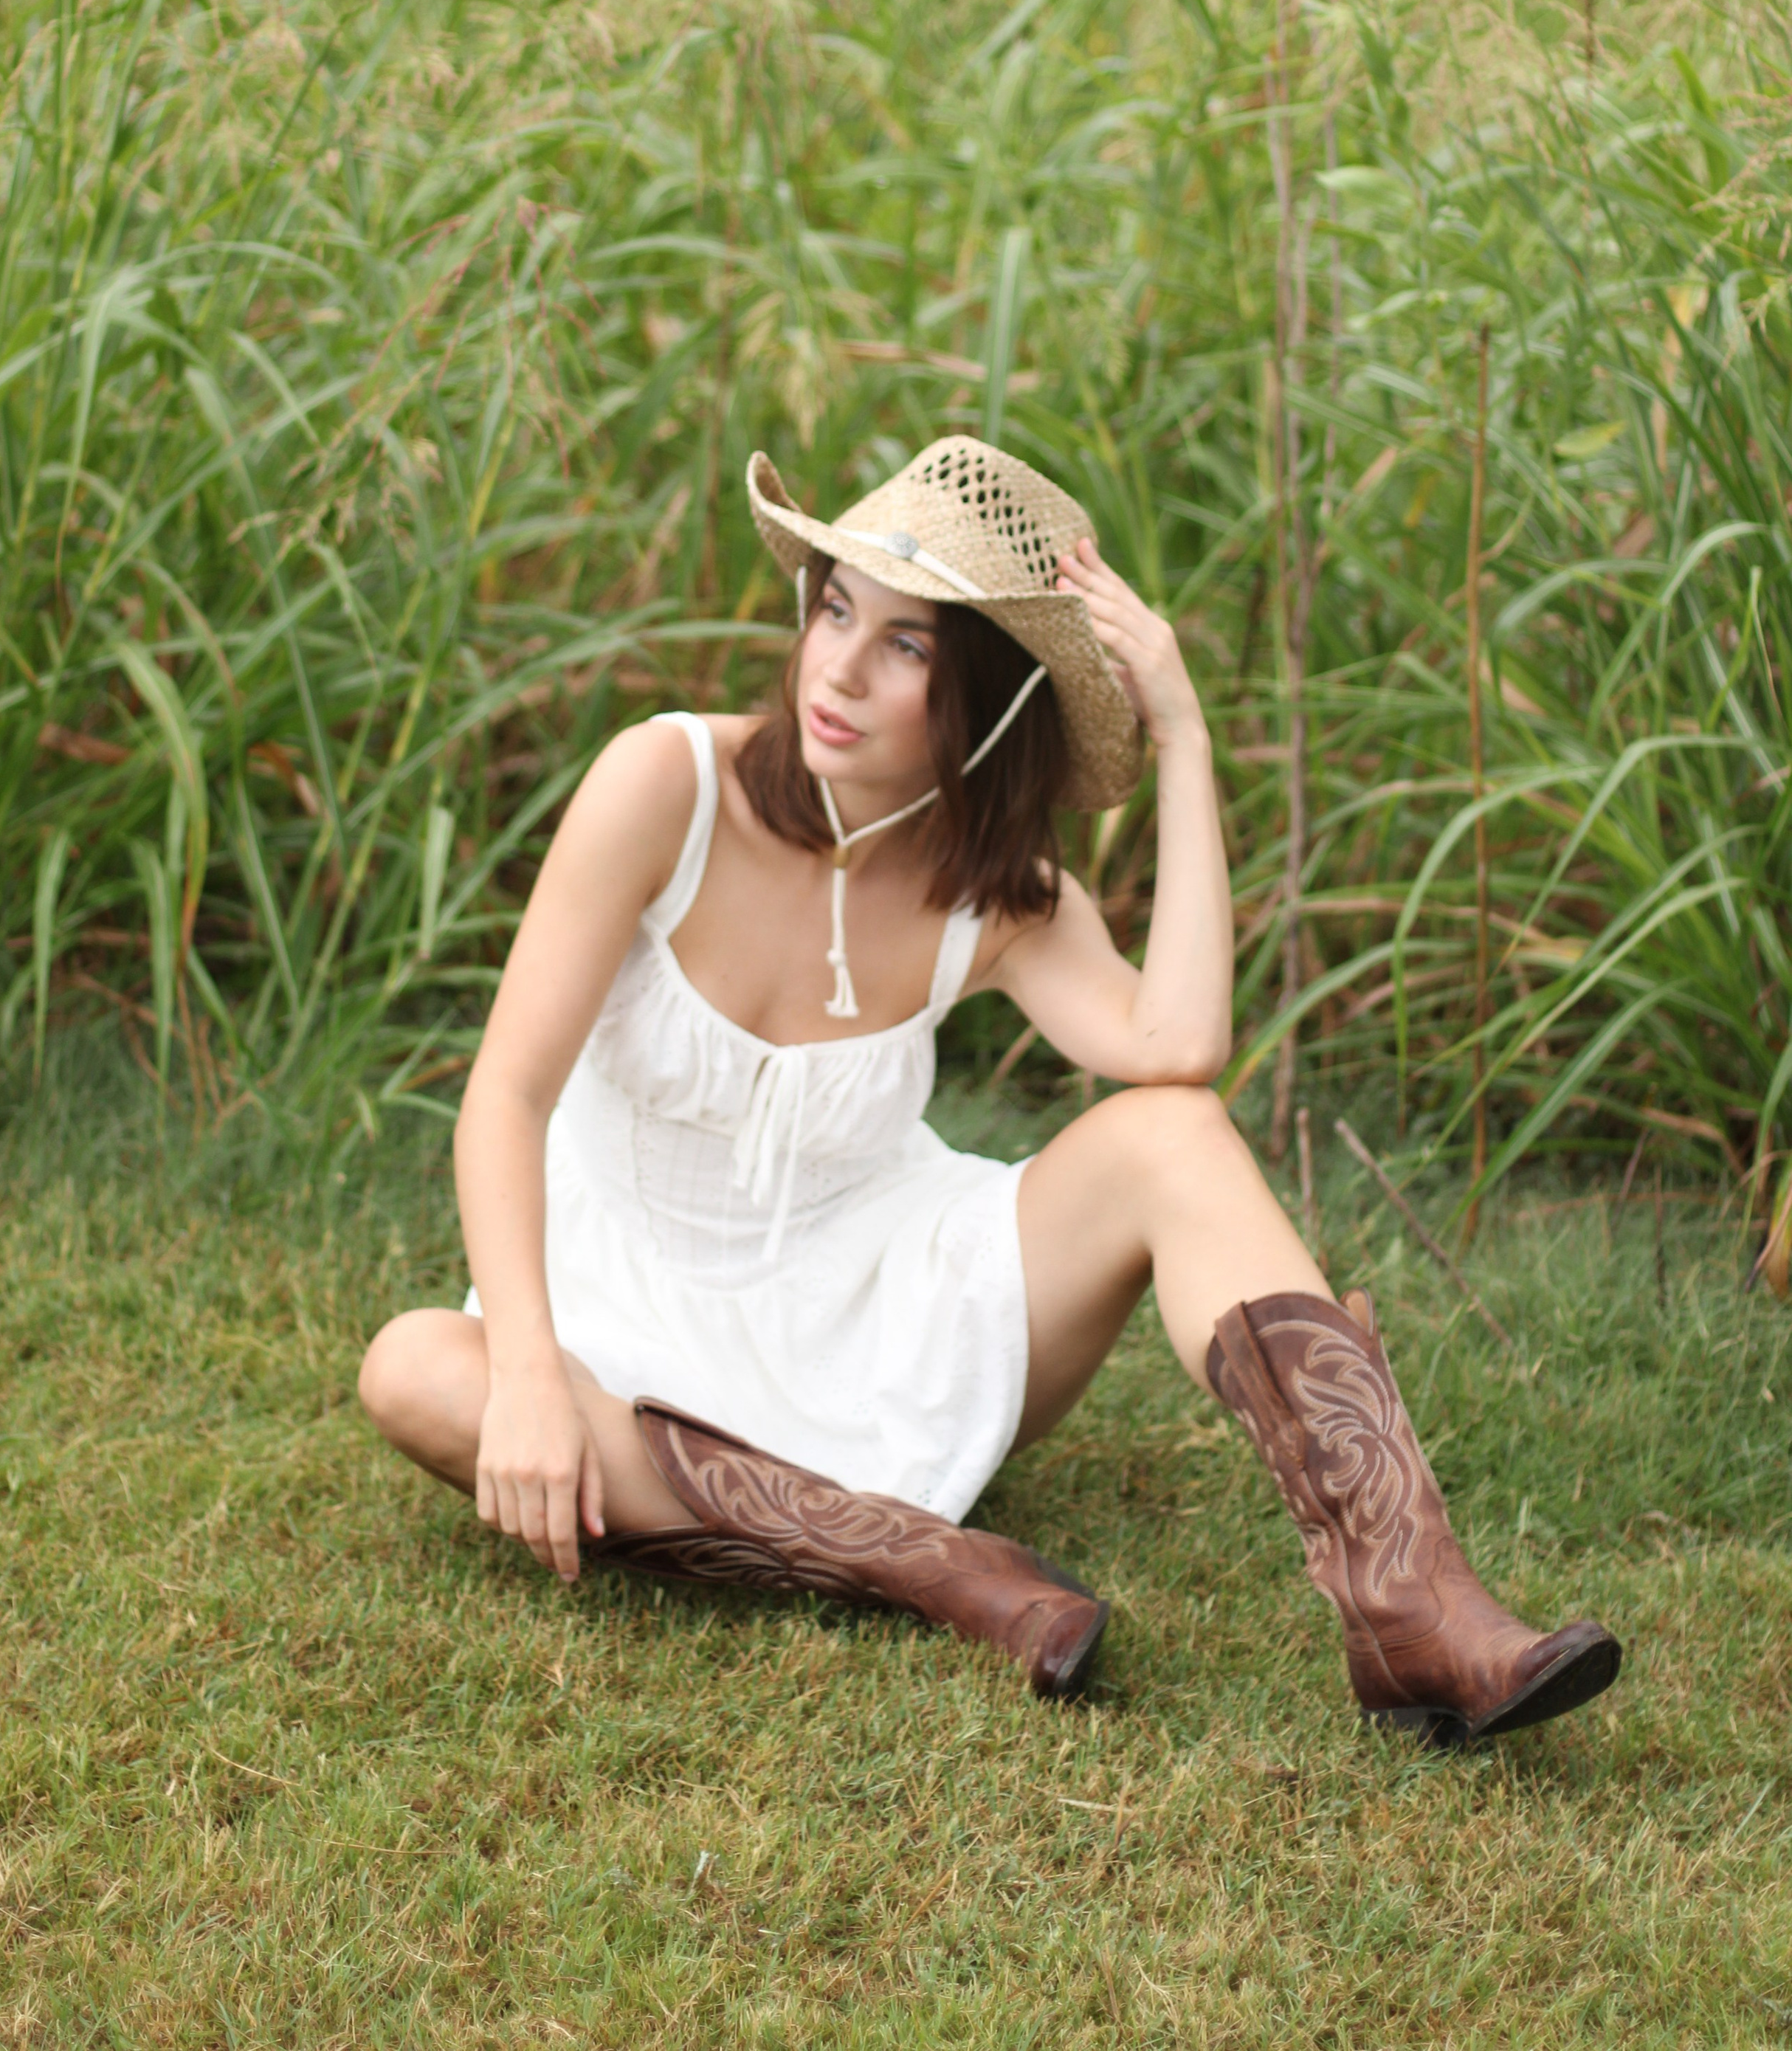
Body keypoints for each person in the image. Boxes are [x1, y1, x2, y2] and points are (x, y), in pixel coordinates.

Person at [360, 435, 1619, 1738]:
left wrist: (1182, 738)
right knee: (415, 1370)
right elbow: (506, 1097)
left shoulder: (995, 892)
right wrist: (523, 1365)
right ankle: (929, 1562)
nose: (838, 668)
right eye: (836, 610)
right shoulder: (667, 786)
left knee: (1170, 1136)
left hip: (886, 1314)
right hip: (636, 1314)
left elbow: (1178, 1046)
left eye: (906, 647)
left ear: (986, 700)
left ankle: (1416, 1605)